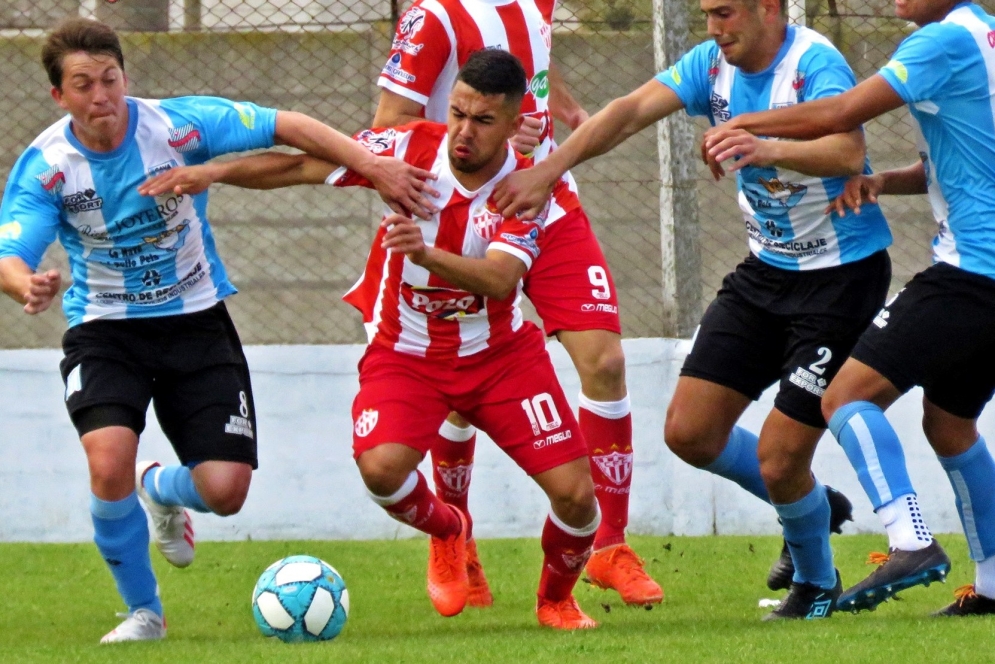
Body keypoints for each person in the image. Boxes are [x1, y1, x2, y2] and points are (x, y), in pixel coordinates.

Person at [0, 17, 435, 643]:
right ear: (58, 95)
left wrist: (375, 167)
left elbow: (286, 125)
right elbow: (12, 252)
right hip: (105, 327)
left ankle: (161, 489)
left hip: (197, 320)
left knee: (226, 490)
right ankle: (144, 613)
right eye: (83, 85)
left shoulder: (178, 126)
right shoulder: (48, 166)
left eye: (110, 79)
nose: (101, 97)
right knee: (107, 459)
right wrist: (26, 285)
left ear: (125, 78)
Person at [147, 48, 607, 630]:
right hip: (406, 355)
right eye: (458, 112)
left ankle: (556, 601)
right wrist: (214, 172)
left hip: (502, 357)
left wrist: (424, 254)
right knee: (382, 470)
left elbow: (501, 279)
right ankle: (449, 530)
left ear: (516, 125)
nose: (463, 131)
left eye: (483, 120)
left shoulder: (529, 184)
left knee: (576, 497)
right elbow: (300, 167)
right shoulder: (410, 148)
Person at [489, 0, 918, 619]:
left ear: (769, 8)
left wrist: (764, 147)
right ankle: (815, 504)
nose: (714, 29)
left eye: (724, 14)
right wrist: (549, 171)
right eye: (706, 16)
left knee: (778, 455)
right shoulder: (707, 65)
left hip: (839, 280)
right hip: (766, 273)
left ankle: (816, 585)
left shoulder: (812, 62)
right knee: (690, 432)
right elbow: (628, 111)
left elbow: (848, 152)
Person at [705, 0, 995, 615]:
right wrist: (886, 180)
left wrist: (748, 127)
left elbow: (841, 113)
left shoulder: (939, 42)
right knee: (949, 424)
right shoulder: (984, 37)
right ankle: (994, 587)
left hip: (973, 271)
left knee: (845, 397)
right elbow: (961, 159)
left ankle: (910, 539)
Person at [369, 0, 662, 607]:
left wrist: (554, 110)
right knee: (461, 345)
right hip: (463, 196)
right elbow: (390, 121)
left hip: (542, 195)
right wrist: (470, 150)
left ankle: (608, 544)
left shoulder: (538, 5)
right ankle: (455, 536)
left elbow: (530, 74)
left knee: (605, 362)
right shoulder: (433, 18)